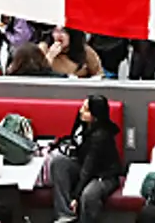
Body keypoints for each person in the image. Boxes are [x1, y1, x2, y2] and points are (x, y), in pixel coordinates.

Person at [47, 95, 124, 223]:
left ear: (95, 115)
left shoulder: (101, 136)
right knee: (59, 162)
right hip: (82, 164)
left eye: (86, 109)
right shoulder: (81, 124)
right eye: (82, 106)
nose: (81, 111)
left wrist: (76, 196)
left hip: (104, 175)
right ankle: (65, 216)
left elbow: (88, 169)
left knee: (89, 195)